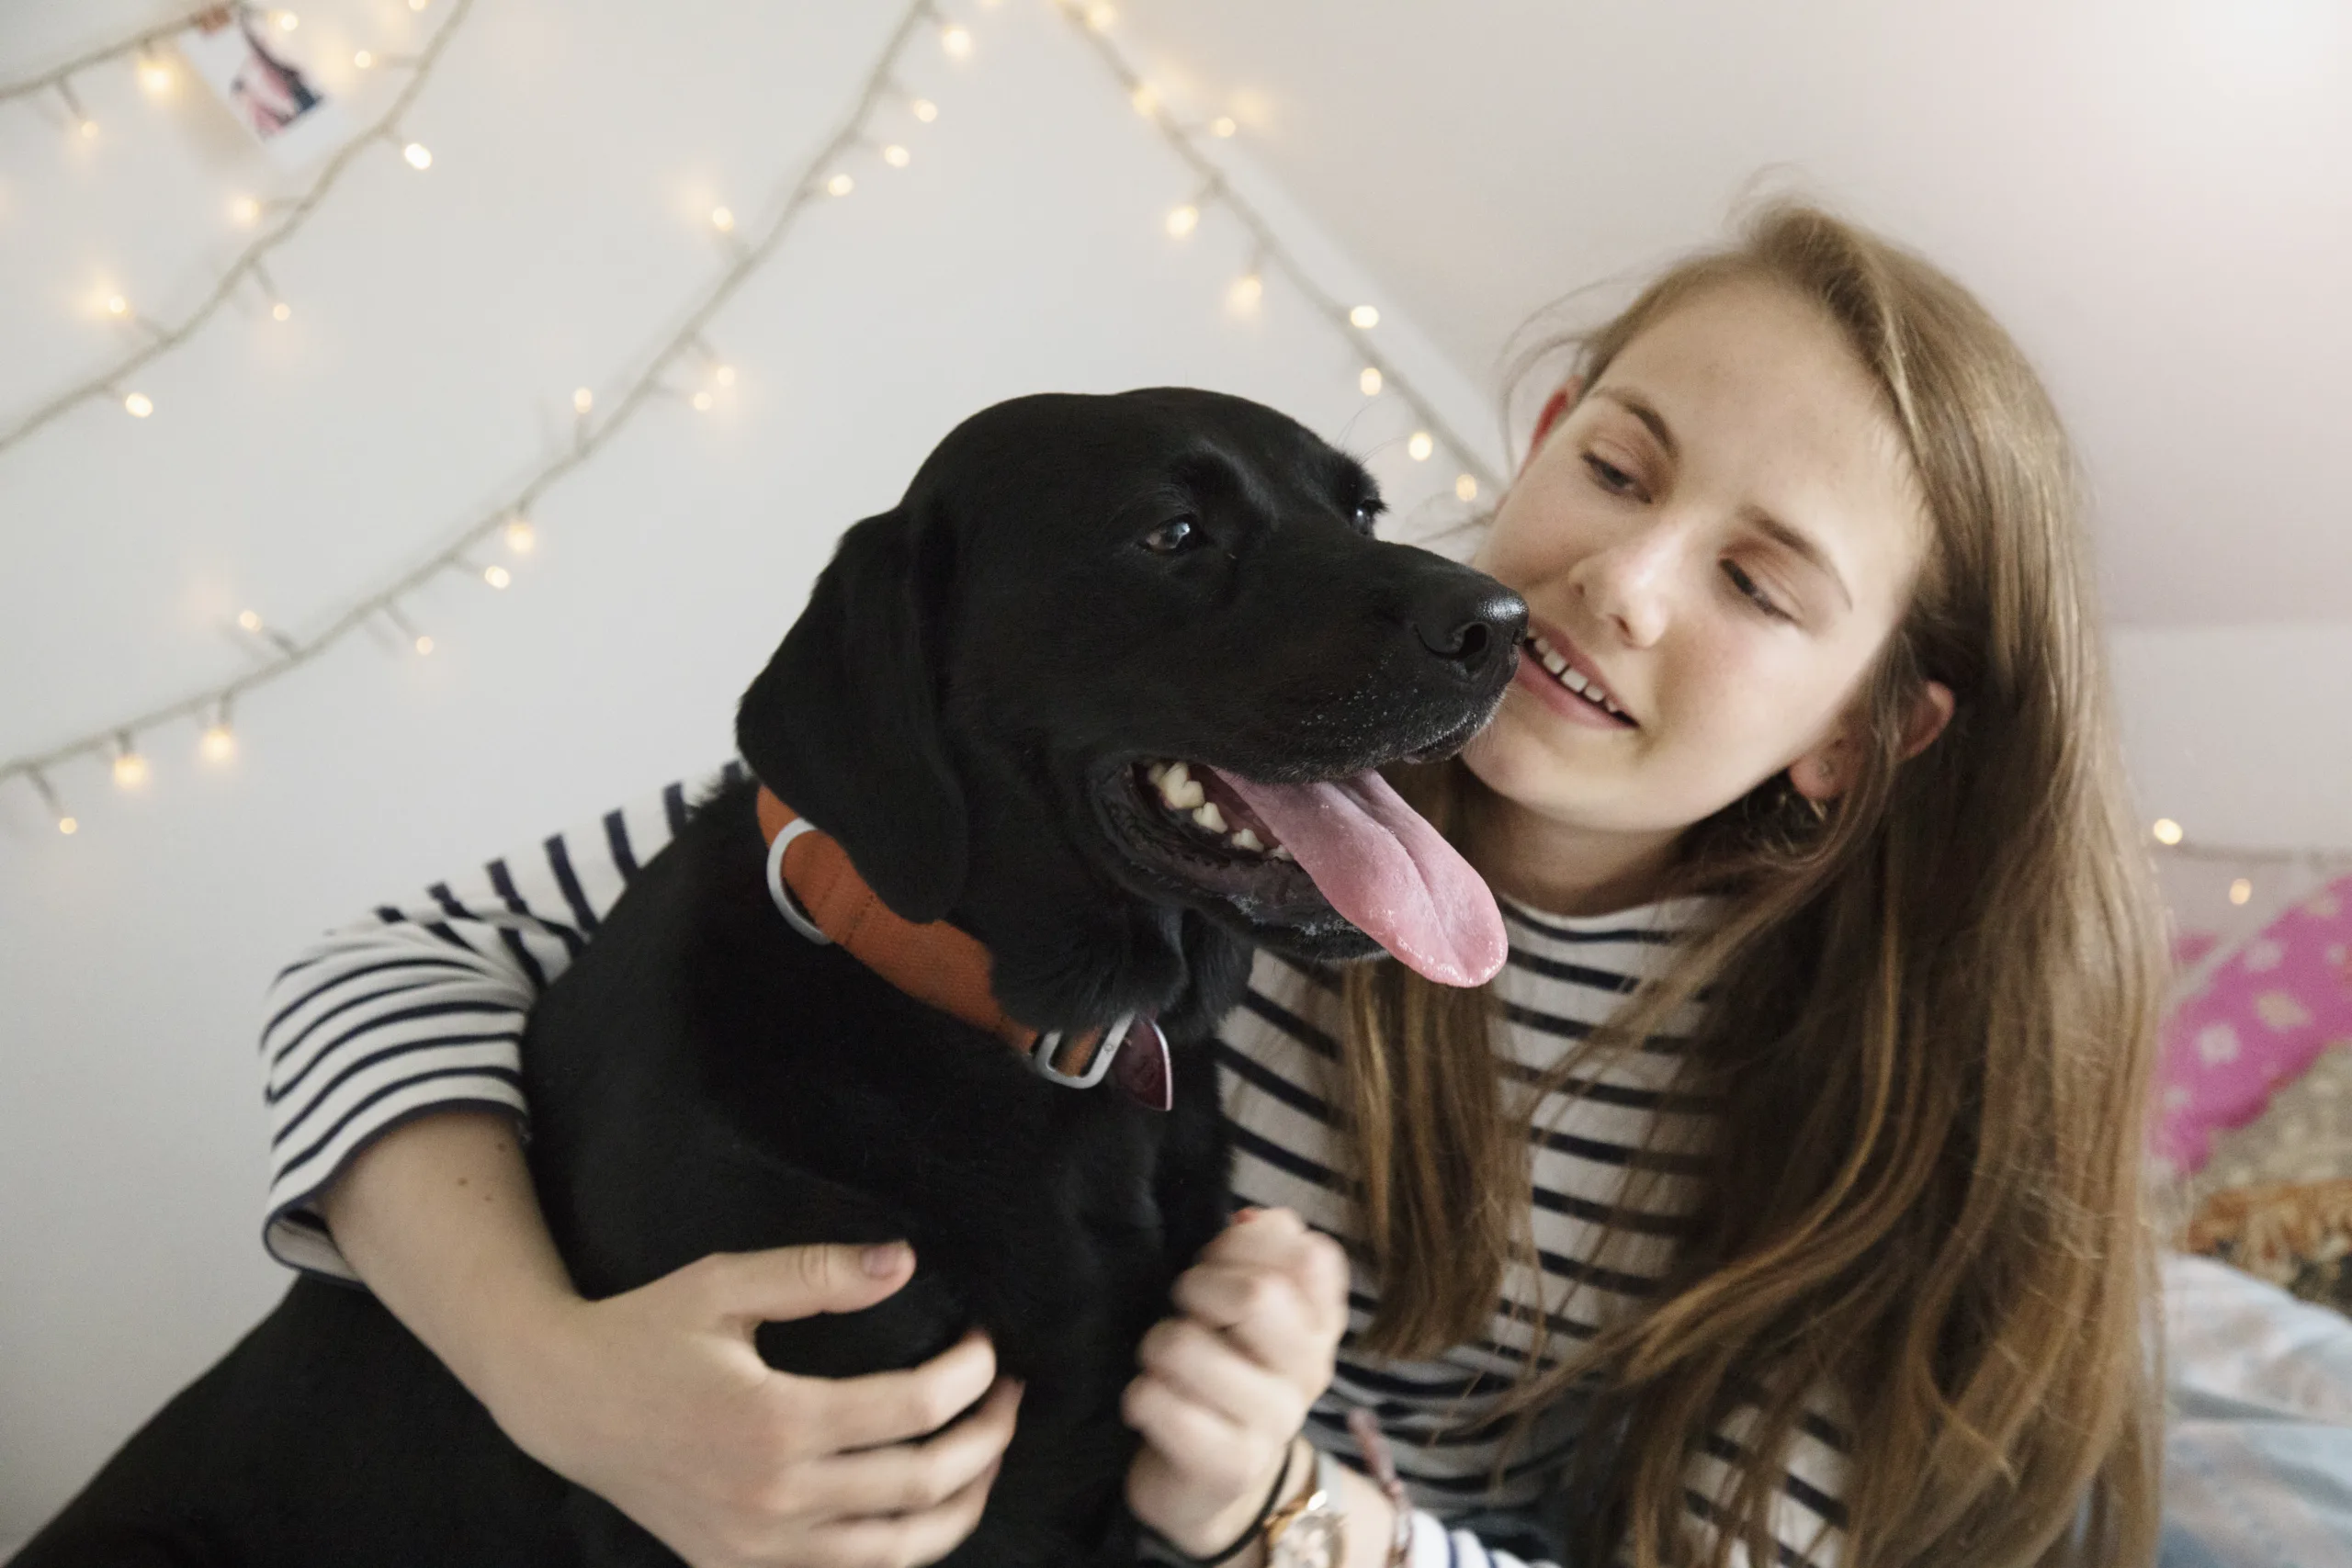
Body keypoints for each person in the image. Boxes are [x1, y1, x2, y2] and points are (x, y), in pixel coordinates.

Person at [258, 202, 2164, 1568]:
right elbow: (395, 965)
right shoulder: (1184, 726)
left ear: (1862, 733)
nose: (1620, 580)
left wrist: (1277, 1510)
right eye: (1616, 464)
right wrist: (549, 1376)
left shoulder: (1881, 1121)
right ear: (1539, 434)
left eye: (1758, 584)